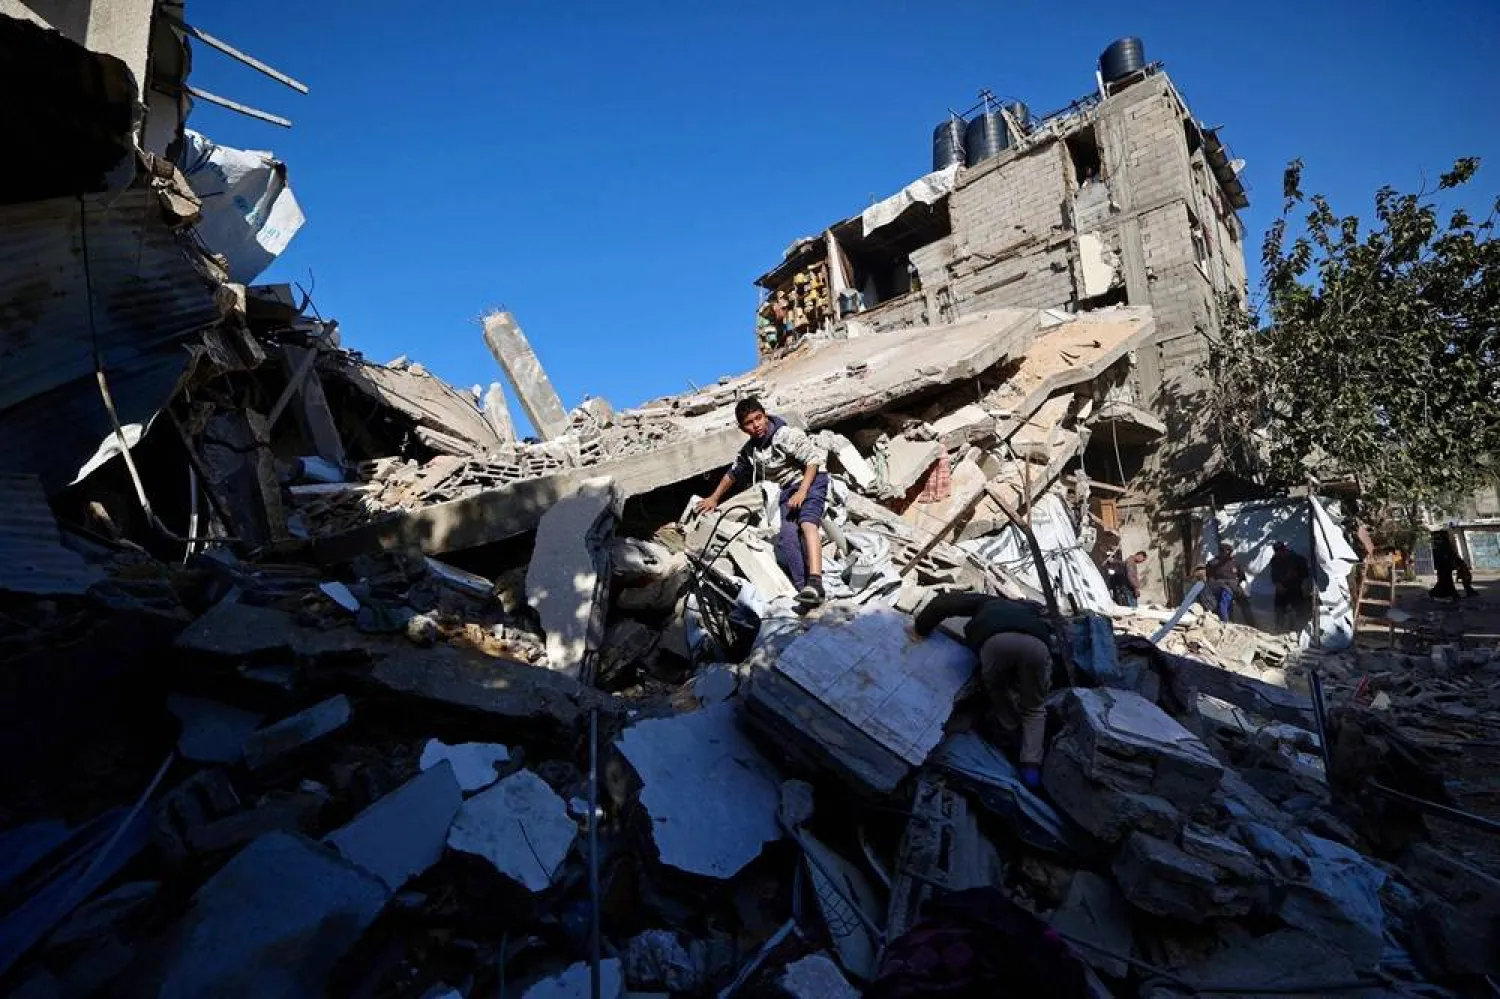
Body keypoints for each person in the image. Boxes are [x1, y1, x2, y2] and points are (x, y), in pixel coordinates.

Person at [912, 591, 1059, 789]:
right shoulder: (1032, 615)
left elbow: (944, 602)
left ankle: (1009, 734)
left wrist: (921, 627)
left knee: (997, 692)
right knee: (1034, 707)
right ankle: (1031, 766)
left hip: (996, 642)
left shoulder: (987, 601)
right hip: (1037, 645)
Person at [696, 397, 829, 607]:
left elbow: (813, 461)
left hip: (811, 481)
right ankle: (804, 590)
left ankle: (816, 582)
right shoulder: (751, 452)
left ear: (765, 415)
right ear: (742, 428)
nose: (756, 425)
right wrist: (714, 498)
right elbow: (733, 473)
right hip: (788, 491)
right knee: (787, 537)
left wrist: (803, 491)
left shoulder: (785, 435)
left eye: (759, 418)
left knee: (807, 523)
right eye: (749, 422)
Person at [1206, 541, 1254, 625]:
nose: (1229, 553)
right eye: (1226, 550)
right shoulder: (1213, 563)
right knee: (1224, 602)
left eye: (1230, 551)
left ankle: (1252, 623)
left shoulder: (1235, 563)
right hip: (1221, 586)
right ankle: (1225, 623)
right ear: (1221, 551)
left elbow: (1242, 576)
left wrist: (1239, 585)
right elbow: (1208, 577)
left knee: (1245, 603)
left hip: (1234, 586)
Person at [1269, 541, 1312, 630]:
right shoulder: (1275, 560)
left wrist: (1296, 575)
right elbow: (1274, 575)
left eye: (1281, 551)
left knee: (1299, 609)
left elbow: (1306, 574)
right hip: (1281, 589)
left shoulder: (1297, 559)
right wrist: (1277, 584)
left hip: (1294, 587)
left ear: (1285, 549)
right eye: (1277, 552)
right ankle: (1279, 628)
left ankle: (1301, 629)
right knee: (1279, 609)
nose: (1279, 554)